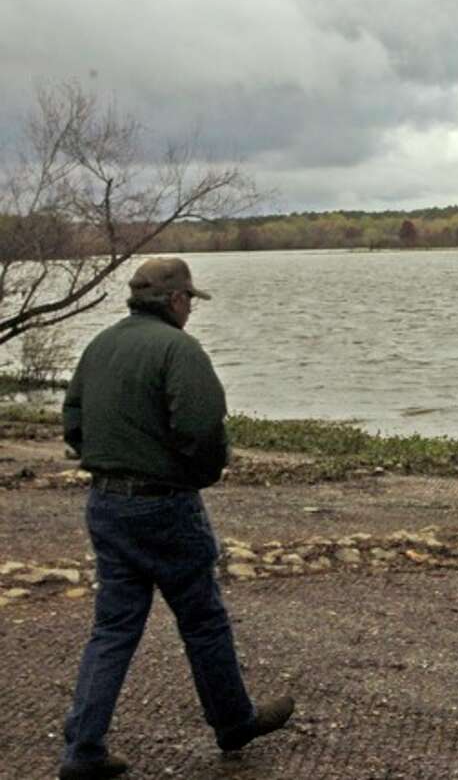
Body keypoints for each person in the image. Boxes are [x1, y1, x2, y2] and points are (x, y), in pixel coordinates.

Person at [58, 258, 293, 780]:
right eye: (189, 299)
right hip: (166, 505)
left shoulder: (101, 345)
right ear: (175, 301)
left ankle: (82, 750)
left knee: (114, 628)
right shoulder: (179, 349)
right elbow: (202, 428)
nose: (190, 307)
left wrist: (108, 461)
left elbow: (72, 420)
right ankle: (233, 721)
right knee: (203, 619)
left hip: (106, 504)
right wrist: (201, 474)